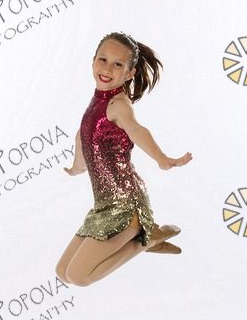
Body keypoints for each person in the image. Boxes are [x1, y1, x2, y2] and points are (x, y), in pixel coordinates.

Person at [56, 32, 192, 288]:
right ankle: (145, 240)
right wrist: (77, 167)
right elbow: (83, 136)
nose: (107, 69)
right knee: (63, 272)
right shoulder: (96, 100)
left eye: (118, 64)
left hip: (126, 205)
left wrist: (162, 159)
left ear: (129, 73)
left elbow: (138, 131)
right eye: (103, 60)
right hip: (104, 205)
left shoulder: (119, 104)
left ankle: (147, 240)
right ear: (93, 61)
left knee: (79, 276)